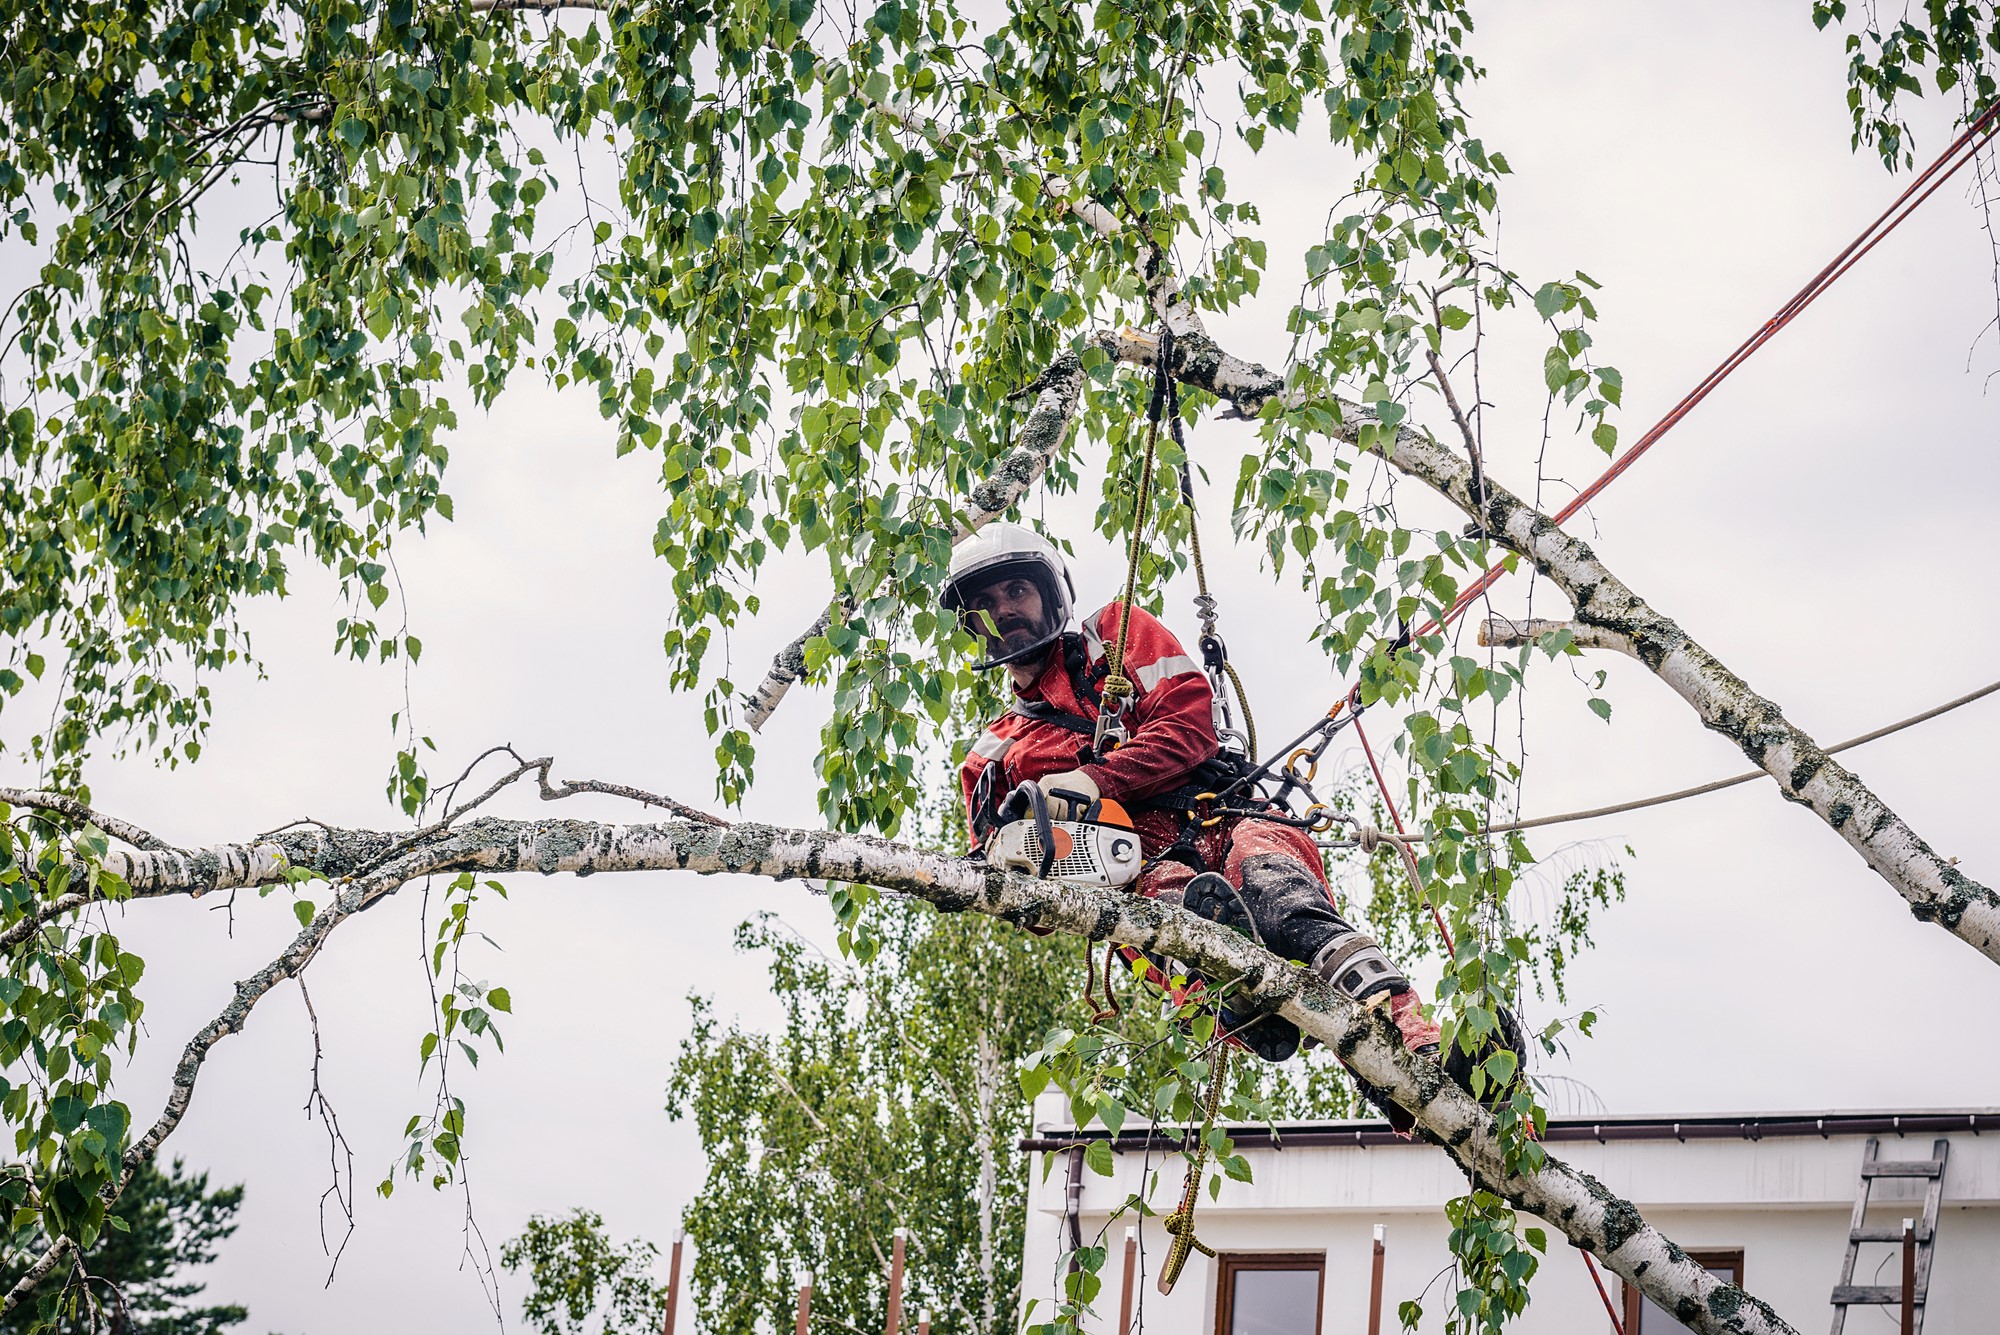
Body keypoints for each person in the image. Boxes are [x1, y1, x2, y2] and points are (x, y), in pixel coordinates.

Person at [946, 521, 1445, 1067]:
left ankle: (1412, 1044)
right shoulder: (990, 758)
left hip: (1224, 809)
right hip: (1137, 870)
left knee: (1276, 889)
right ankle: (1242, 1001)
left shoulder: (1113, 637)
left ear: (1050, 592)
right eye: (987, 604)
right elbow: (1023, 906)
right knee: (1172, 914)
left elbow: (1190, 725)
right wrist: (1034, 857)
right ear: (970, 624)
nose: (1007, 610)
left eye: (1017, 591)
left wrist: (1095, 780)